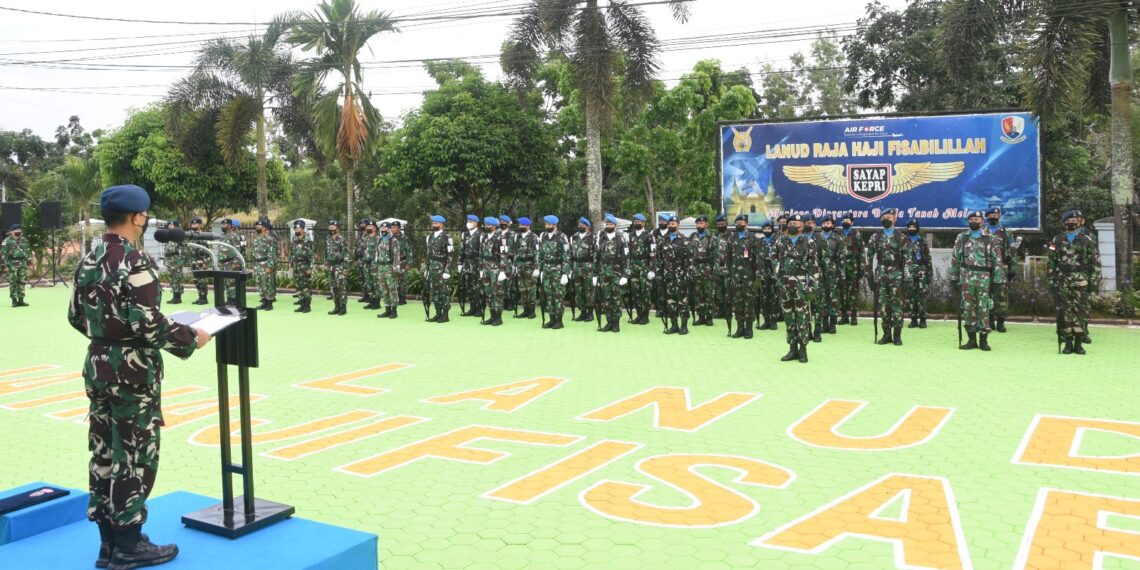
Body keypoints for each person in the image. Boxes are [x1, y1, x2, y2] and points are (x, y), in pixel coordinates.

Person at [68, 184, 210, 570]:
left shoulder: (90, 258)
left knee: (104, 451)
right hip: (132, 373)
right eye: (145, 215)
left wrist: (108, 337)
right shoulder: (135, 261)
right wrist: (191, 338)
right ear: (138, 217)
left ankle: (110, 543)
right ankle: (128, 547)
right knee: (134, 455)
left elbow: (76, 316)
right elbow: (148, 325)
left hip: (97, 366)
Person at [948, 211, 1004, 351]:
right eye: (971, 219)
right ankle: (971, 339)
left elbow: (998, 261)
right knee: (968, 308)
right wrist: (954, 278)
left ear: (982, 222)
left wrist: (998, 280)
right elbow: (956, 259)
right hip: (966, 278)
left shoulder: (990, 239)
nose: (974, 221)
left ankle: (983, 340)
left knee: (983, 308)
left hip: (984, 279)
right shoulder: (962, 237)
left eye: (977, 219)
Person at [1046, 211, 1101, 354]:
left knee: (1081, 312)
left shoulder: (1087, 239)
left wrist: (1094, 281)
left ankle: (1078, 343)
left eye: (1075, 220)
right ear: (1064, 223)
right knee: (1065, 311)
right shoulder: (1057, 239)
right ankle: (1068, 343)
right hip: (1062, 279)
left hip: (1081, 280)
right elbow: (1051, 261)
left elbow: (1094, 262)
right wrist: (1051, 279)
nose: (1072, 222)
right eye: (1069, 220)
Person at [774, 214, 818, 363]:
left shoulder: (809, 242)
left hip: (801, 285)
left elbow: (814, 266)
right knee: (788, 317)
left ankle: (803, 349)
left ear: (802, 226)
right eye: (792, 223)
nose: (794, 225)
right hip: (785, 284)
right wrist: (778, 275)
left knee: (802, 318)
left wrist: (811, 286)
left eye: (797, 223)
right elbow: (774, 258)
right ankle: (792, 349)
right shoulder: (781, 241)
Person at [865, 208, 909, 346]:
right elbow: (868, 257)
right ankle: (886, 334)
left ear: (895, 219)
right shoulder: (875, 237)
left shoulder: (901, 237)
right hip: (881, 275)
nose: (887, 219)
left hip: (897, 275)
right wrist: (870, 277)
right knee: (883, 306)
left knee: (897, 306)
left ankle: (897, 335)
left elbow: (908, 260)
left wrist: (907, 278)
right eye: (884, 217)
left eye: (889, 217)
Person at [726, 214, 760, 339]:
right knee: (737, 302)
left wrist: (758, 276)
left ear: (746, 223)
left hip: (749, 276)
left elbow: (758, 259)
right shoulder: (732, 238)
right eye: (737, 222)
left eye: (741, 222)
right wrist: (728, 274)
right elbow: (728, 257)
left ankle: (749, 328)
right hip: (735, 276)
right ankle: (740, 327)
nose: (738, 224)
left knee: (749, 302)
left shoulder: (752, 238)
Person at [594, 214, 630, 332]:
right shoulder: (601, 238)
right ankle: (609, 322)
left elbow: (626, 258)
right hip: (604, 273)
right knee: (606, 299)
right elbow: (596, 257)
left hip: (616, 273)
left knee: (616, 298)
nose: (608, 226)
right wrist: (595, 274)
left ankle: (616, 323)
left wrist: (625, 275)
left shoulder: (621, 238)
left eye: (610, 224)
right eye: (607, 224)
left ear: (615, 226)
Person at [658, 216, 692, 335]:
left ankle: (684, 325)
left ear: (678, 225)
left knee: (682, 301)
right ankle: (674, 325)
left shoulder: (685, 240)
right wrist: (660, 275)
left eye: (673, 223)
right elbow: (660, 259)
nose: (671, 225)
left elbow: (689, 261)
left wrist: (687, 276)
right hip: (668, 277)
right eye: (669, 223)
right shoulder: (663, 240)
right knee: (670, 301)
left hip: (681, 276)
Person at [537, 215, 571, 329]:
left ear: (555, 225)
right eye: (546, 224)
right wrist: (540, 269)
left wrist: (565, 273)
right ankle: (551, 319)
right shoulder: (543, 236)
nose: (547, 226)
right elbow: (540, 254)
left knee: (558, 296)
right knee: (549, 296)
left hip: (557, 270)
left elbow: (566, 256)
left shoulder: (561, 236)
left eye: (549, 224)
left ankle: (559, 320)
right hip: (546, 269)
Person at [984, 207, 1015, 332]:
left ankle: (1001, 322)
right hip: (985, 269)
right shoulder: (982, 232)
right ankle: (990, 320)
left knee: (1002, 295)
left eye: (995, 215)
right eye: (991, 215)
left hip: (1002, 269)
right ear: (987, 217)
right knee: (987, 294)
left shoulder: (1006, 233)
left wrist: (1012, 269)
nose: (993, 217)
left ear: (999, 217)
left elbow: (1012, 252)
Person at [817, 214, 846, 335]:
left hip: (833, 273)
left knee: (833, 298)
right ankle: (824, 323)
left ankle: (833, 324)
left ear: (833, 225)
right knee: (822, 298)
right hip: (819, 272)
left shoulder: (838, 239)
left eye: (828, 224)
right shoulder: (817, 238)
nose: (826, 226)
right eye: (824, 224)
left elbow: (842, 258)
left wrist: (842, 275)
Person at [424, 215, 455, 322]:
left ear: (441, 224)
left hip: (442, 268)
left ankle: (445, 315)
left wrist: (447, 270)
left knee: (444, 292)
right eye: (433, 223)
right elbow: (428, 255)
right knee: (434, 292)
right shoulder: (430, 236)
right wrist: (426, 269)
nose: (434, 225)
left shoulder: (447, 237)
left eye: (436, 223)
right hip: (432, 268)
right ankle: (438, 313)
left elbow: (450, 255)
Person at [625, 214, 655, 325]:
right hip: (633, 266)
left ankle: (645, 316)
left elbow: (652, 253)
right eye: (635, 221)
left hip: (644, 266)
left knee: (645, 291)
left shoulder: (649, 236)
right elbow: (627, 253)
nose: (636, 223)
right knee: (635, 292)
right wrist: (627, 267)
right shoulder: (630, 235)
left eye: (639, 221)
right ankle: (638, 314)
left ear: (643, 223)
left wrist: (652, 269)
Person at [478, 217, 509, 326]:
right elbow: (481, 254)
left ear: (494, 226)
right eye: (486, 225)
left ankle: (498, 317)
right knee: (488, 293)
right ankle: (492, 315)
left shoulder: (501, 238)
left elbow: (504, 255)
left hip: (496, 269)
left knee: (497, 293)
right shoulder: (484, 237)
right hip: (486, 268)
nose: (486, 227)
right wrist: (481, 268)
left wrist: (502, 271)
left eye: (488, 225)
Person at [903, 219, 933, 328]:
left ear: (917, 228)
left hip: (921, 271)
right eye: (909, 227)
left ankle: (923, 319)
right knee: (911, 296)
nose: (911, 229)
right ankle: (913, 319)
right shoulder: (904, 241)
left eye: (913, 227)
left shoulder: (922, 242)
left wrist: (929, 274)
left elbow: (928, 259)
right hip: (908, 272)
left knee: (921, 296)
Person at [688, 215, 717, 326]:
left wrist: (715, 270)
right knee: (698, 293)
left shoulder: (711, 237)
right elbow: (689, 253)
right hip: (695, 268)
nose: (699, 225)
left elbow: (716, 255)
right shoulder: (692, 237)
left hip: (707, 268)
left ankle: (709, 317)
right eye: (698, 223)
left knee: (709, 293)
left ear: (706, 224)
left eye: (701, 223)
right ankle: (701, 316)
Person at [569, 217, 597, 322]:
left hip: (588, 267)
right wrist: (570, 268)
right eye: (579, 224)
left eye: (582, 225)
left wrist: (595, 270)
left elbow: (595, 255)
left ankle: (590, 313)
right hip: (576, 267)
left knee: (588, 290)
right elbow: (570, 254)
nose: (580, 226)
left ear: (587, 227)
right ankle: (582, 312)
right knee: (578, 291)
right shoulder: (574, 237)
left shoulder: (592, 238)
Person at [837, 212, 864, 325]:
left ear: (852, 222)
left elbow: (862, 252)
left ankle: (853, 316)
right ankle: (844, 315)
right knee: (842, 292)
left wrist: (861, 268)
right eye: (844, 221)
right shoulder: (837, 234)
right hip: (840, 268)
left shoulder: (857, 234)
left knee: (853, 292)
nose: (845, 223)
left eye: (848, 221)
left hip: (853, 268)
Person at [513, 217, 540, 319]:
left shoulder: (533, 237)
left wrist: (536, 267)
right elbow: (515, 252)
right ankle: (525, 309)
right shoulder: (517, 236)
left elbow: (537, 253)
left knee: (531, 288)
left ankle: (532, 310)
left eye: (522, 225)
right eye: (520, 225)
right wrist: (514, 265)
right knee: (522, 288)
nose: (520, 227)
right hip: (520, 265)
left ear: (528, 226)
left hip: (530, 265)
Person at [375, 221, 402, 318]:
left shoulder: (393, 240)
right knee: (384, 289)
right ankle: (387, 309)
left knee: (392, 289)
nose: (383, 230)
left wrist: (396, 269)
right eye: (382, 228)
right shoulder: (379, 239)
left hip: (390, 267)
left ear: (389, 229)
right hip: (381, 267)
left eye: (385, 228)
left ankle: (394, 310)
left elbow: (396, 256)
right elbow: (377, 254)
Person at [756, 221, 780, 331]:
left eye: (768, 229)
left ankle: (774, 321)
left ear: (772, 229)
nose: (766, 231)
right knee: (764, 298)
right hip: (763, 272)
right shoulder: (760, 241)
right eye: (764, 229)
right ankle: (766, 320)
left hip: (774, 272)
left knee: (774, 297)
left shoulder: (778, 240)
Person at [251, 217, 278, 311]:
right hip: (258, 265)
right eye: (257, 226)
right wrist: (254, 266)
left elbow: (271, 254)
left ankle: (269, 303)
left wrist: (270, 266)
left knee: (267, 284)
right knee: (260, 284)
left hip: (265, 264)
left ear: (264, 228)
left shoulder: (269, 239)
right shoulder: (255, 240)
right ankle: (263, 302)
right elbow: (253, 254)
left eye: (259, 226)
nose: (257, 227)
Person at [460, 214, 483, 317]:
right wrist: (459, 263)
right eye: (468, 221)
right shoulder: (465, 234)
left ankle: (479, 308)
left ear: (476, 223)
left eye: (471, 221)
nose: (469, 223)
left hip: (476, 263)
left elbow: (482, 251)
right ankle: (472, 307)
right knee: (469, 287)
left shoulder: (481, 235)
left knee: (477, 287)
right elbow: (462, 249)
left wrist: (481, 265)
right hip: (466, 263)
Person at [1, 224, 30, 307]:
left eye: (19, 230)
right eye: (16, 230)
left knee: (22, 282)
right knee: (13, 282)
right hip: (12, 264)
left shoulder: (24, 240)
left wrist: (29, 261)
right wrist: (5, 265)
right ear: (12, 231)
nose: (18, 231)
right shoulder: (7, 241)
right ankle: (14, 300)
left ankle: (21, 300)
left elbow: (27, 250)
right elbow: (4, 254)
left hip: (22, 264)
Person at [289, 220, 314, 313]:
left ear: (303, 229)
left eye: (298, 228)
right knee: (298, 286)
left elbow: (311, 255)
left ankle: (307, 305)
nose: (296, 229)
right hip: (296, 265)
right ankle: (302, 303)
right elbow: (292, 252)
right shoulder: (294, 238)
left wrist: (310, 268)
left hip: (304, 265)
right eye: (295, 228)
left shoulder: (308, 240)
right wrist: (290, 263)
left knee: (305, 286)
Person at [326, 220, 349, 315]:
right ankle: (336, 306)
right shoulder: (328, 238)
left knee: (341, 288)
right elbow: (326, 252)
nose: (331, 229)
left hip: (339, 266)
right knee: (333, 288)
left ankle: (343, 308)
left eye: (333, 227)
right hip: (331, 267)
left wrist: (345, 268)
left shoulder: (342, 239)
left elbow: (346, 254)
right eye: (330, 227)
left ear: (338, 229)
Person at [187, 216, 211, 305]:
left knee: (202, 281)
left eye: (195, 223)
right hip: (193, 262)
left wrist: (205, 262)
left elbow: (208, 251)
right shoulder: (190, 236)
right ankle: (200, 297)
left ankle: (204, 298)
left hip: (201, 262)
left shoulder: (204, 236)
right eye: (192, 223)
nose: (193, 225)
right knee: (196, 280)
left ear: (200, 225)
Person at [218, 219, 244, 302]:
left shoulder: (234, 236)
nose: (223, 226)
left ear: (229, 225)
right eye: (222, 225)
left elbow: (237, 250)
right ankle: (229, 299)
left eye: (225, 225)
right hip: (223, 263)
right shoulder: (222, 236)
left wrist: (236, 263)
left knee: (231, 283)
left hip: (231, 262)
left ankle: (233, 300)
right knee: (226, 283)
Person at [162, 221, 185, 305]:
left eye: (172, 225)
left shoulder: (179, 236)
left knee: (177, 279)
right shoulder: (168, 237)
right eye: (169, 225)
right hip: (169, 261)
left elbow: (184, 249)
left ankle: (178, 298)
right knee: (171, 279)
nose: (170, 226)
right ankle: (174, 297)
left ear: (176, 226)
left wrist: (180, 262)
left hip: (176, 261)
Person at [712, 214, 731, 319]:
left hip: (727, 267)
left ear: (726, 223)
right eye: (718, 224)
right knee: (718, 290)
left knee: (728, 290)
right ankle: (720, 311)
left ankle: (728, 311)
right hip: (717, 267)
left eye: (722, 224)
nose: (720, 225)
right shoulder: (714, 236)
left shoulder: (732, 236)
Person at [359, 219, 380, 310]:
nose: (368, 228)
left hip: (374, 265)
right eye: (367, 226)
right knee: (368, 283)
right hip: (366, 264)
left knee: (376, 284)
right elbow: (362, 251)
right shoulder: (365, 238)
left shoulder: (378, 239)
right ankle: (371, 301)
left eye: (370, 226)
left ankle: (377, 302)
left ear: (374, 228)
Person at [392, 221, 412, 305]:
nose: (392, 229)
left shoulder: (405, 238)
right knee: (394, 280)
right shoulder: (390, 238)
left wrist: (409, 263)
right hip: (393, 262)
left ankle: (402, 298)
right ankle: (396, 297)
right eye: (392, 227)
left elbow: (409, 251)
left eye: (394, 227)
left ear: (399, 228)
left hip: (403, 261)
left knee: (403, 280)